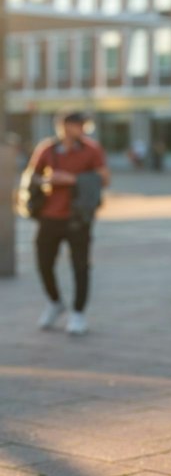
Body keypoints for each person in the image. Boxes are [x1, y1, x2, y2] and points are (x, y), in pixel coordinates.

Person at [22, 111, 109, 336]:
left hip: (78, 218)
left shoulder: (91, 150)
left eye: (81, 125)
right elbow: (32, 176)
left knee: (80, 266)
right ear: (62, 126)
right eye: (73, 125)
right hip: (49, 216)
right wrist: (46, 179)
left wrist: (72, 179)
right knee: (43, 263)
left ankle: (78, 313)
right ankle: (55, 302)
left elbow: (104, 178)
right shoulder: (47, 149)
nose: (78, 129)